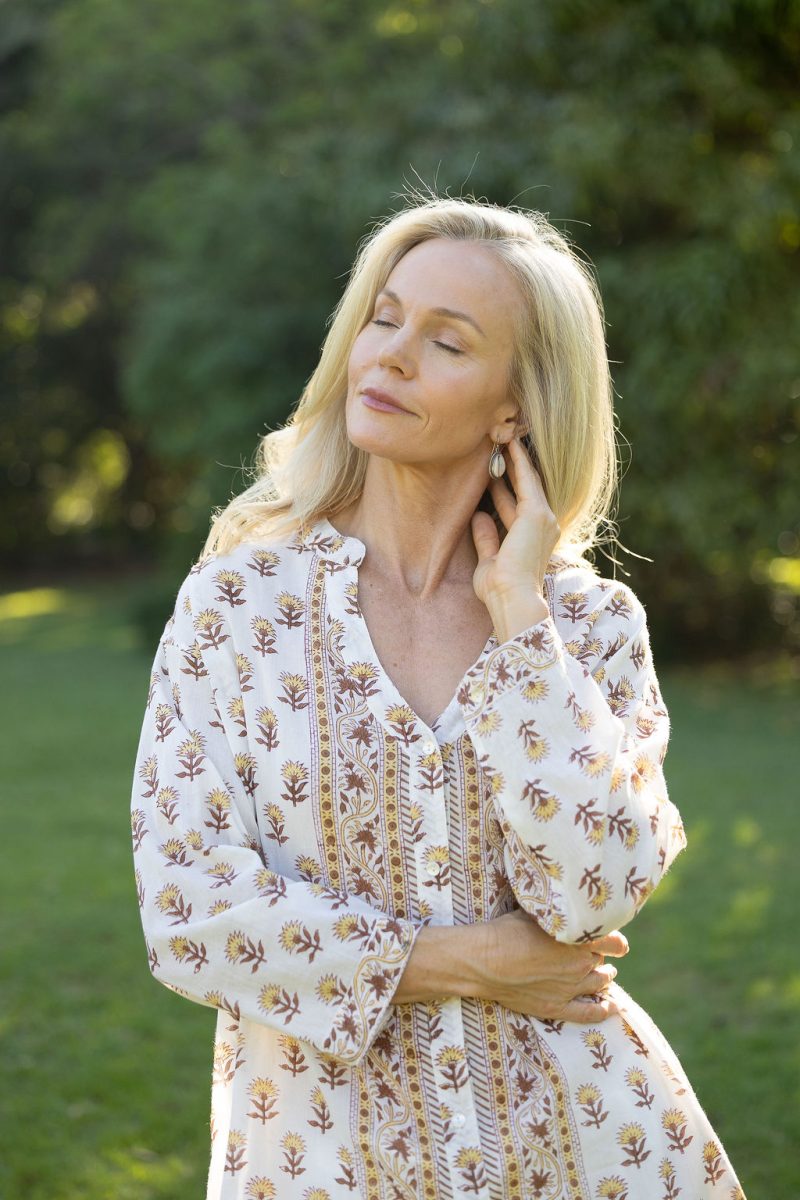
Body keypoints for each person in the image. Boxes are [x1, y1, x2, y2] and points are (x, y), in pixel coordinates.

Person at [130, 195, 746, 1199]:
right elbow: (189, 915)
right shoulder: (238, 605)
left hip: (586, 1153)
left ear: (514, 404)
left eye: (445, 342)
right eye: (382, 318)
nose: (390, 356)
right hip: (321, 1160)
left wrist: (516, 616)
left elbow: (594, 889)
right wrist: (473, 961)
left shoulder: (584, 625)